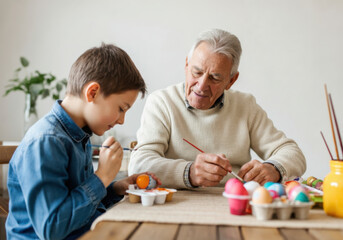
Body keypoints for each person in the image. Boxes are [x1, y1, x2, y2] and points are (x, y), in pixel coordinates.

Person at [6, 43, 161, 239]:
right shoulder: (46, 142)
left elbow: (77, 204)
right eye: (121, 108)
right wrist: (102, 176)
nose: (121, 120)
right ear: (93, 93)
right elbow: (51, 229)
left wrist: (113, 188)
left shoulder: (79, 135)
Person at [128, 29, 306, 189]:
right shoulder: (162, 102)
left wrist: (273, 168)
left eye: (214, 78)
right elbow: (139, 165)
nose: (202, 86)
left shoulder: (245, 106)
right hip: (175, 204)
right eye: (196, 72)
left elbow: (293, 153)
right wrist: (189, 173)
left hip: (232, 205)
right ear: (186, 65)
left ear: (231, 81)